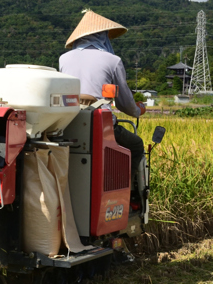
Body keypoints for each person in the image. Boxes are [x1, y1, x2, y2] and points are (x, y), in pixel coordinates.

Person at [58, 10, 147, 179]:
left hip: (68, 123)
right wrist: (137, 110)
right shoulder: (112, 60)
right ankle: (127, 190)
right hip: (101, 125)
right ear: (102, 36)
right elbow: (124, 102)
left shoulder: (64, 59)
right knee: (136, 145)